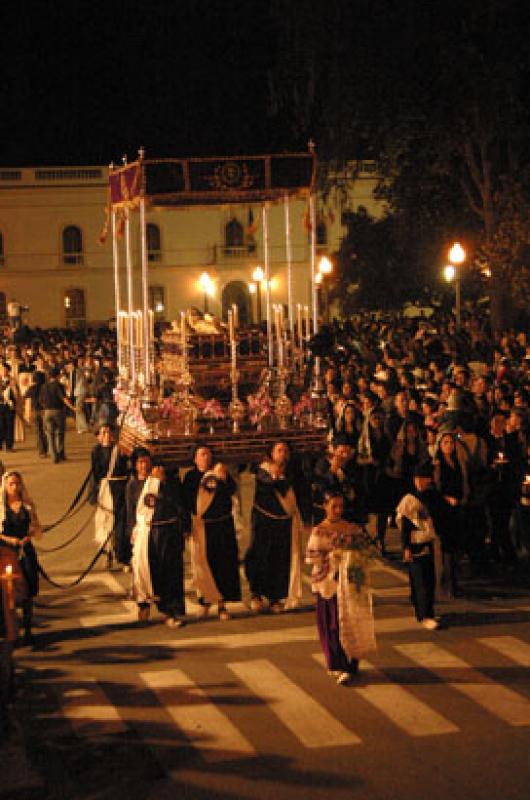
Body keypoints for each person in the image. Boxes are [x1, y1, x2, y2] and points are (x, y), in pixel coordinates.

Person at [306, 491, 376, 685]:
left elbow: (364, 551)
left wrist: (354, 558)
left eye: (340, 506)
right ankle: (337, 664)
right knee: (332, 624)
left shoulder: (351, 528)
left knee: (352, 621)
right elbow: (313, 557)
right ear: (325, 506)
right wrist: (333, 558)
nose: (337, 510)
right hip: (330, 583)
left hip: (349, 584)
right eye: (333, 506)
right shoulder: (319, 531)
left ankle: (352, 661)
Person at [245, 441, 305, 613]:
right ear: (271, 453)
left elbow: (301, 490)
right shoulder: (262, 469)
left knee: (280, 558)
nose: (283, 453)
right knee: (259, 555)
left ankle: (275, 597)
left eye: (286, 450)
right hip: (263, 520)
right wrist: (276, 477)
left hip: (284, 521)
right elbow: (268, 483)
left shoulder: (294, 470)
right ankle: (256, 594)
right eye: (279, 450)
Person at [183, 445, 241, 620]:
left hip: (222, 525)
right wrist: (186, 527)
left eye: (208, 453)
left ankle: (222, 605)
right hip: (202, 527)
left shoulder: (220, 471)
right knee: (202, 566)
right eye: (201, 454)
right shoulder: (191, 477)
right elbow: (186, 503)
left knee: (222, 565)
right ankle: (205, 602)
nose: (205, 457)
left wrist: (224, 478)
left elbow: (231, 491)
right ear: (195, 459)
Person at [131, 461, 188, 626]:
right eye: (140, 462)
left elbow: (178, 505)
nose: (145, 466)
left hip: (168, 533)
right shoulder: (134, 484)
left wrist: (162, 483)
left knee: (169, 571)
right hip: (145, 534)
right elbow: (129, 511)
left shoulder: (172, 482)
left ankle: (170, 612)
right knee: (144, 571)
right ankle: (143, 603)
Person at [396, 462, 444, 630]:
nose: (419, 482)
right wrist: (406, 547)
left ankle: (427, 611)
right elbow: (405, 527)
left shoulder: (434, 496)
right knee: (420, 581)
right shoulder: (409, 500)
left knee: (430, 579)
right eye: (416, 478)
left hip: (429, 542)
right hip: (415, 544)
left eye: (422, 478)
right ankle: (423, 615)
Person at [0, 471, 42, 644]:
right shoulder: (1, 507)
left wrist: (28, 537)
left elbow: (36, 526)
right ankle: (11, 629)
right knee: (10, 591)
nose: (14, 487)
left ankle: (28, 629)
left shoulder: (27, 505)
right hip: (6, 553)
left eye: (17, 483)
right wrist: (10, 539)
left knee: (29, 590)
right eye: (11, 484)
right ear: (5, 486)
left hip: (25, 551)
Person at [89, 425, 129, 569]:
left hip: (120, 488)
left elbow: (127, 467)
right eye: (103, 432)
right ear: (98, 436)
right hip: (105, 490)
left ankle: (123, 556)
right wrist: (93, 493)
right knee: (105, 523)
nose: (107, 435)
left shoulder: (119, 449)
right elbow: (94, 474)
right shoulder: (96, 451)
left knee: (121, 523)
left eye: (109, 431)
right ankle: (107, 554)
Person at [40, 367, 75, 462]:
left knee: (49, 434)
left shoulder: (44, 386)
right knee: (59, 433)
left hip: (46, 411)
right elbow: (64, 399)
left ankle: (53, 456)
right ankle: (60, 454)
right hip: (58, 411)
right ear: (58, 375)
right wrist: (73, 408)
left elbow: (41, 400)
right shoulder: (58, 385)